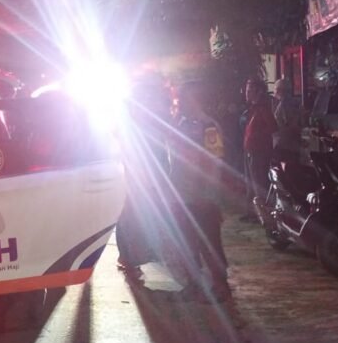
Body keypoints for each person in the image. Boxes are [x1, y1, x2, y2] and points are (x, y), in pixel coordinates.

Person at [165, 80, 231, 303]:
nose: (180, 102)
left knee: (209, 243)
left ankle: (221, 286)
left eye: (184, 98)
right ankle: (193, 284)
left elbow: (214, 162)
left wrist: (209, 194)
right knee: (186, 242)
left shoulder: (208, 126)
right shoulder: (180, 123)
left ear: (196, 99)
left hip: (202, 196)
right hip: (181, 194)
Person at [116, 74, 171, 275]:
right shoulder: (125, 124)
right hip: (131, 180)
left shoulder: (153, 122)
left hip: (150, 179)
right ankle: (128, 259)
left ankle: (141, 255)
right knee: (128, 219)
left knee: (145, 218)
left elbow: (161, 152)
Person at [241, 77, 277, 222]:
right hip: (249, 150)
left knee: (258, 183)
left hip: (259, 152)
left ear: (258, 91)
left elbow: (273, 128)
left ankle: (262, 214)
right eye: (246, 90)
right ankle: (251, 212)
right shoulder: (253, 108)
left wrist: (259, 137)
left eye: (250, 90)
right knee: (250, 182)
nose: (247, 93)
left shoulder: (263, 108)